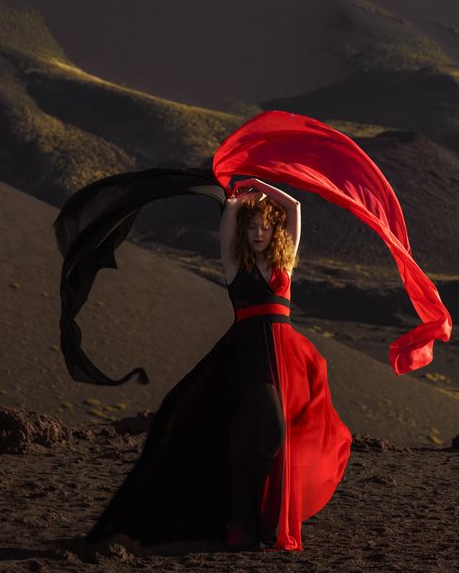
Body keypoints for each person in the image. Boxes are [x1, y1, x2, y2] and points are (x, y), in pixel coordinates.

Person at [85, 176, 352, 552]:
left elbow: (295, 207)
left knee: (279, 442)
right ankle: (238, 523)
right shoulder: (233, 264)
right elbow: (229, 213)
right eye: (253, 227)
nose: (259, 232)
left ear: (274, 230)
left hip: (286, 357)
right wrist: (242, 199)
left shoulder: (284, 262)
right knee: (268, 434)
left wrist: (261, 184)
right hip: (246, 354)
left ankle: (256, 526)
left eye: (265, 226)